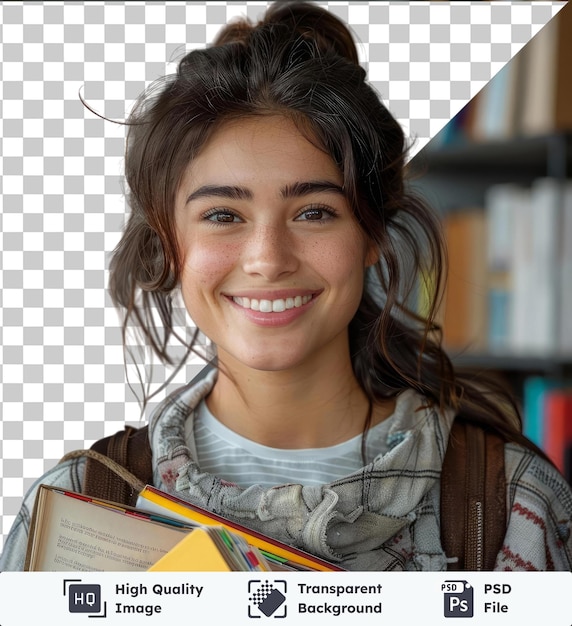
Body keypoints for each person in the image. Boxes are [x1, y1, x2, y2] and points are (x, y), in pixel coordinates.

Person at [1, 1, 571, 572]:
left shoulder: (511, 506)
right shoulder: (76, 507)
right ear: (168, 244)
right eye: (223, 215)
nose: (268, 260)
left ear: (371, 234)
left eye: (314, 212)